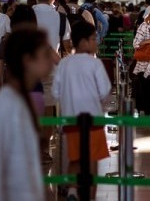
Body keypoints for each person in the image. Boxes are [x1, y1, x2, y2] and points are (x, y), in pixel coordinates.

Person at [0, 28, 54, 201]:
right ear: (28, 61)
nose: (50, 61)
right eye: (44, 54)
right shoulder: (8, 106)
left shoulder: (20, 102)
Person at [53, 21, 111, 200]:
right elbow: (105, 91)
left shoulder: (64, 64)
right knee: (92, 160)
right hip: (92, 121)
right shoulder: (95, 64)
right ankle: (90, 196)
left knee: (75, 157)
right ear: (84, 42)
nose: (97, 42)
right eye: (94, 39)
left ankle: (71, 191)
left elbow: (56, 91)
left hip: (71, 121)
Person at [32, 0, 72, 163]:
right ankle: (44, 150)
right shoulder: (61, 18)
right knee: (48, 111)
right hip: (52, 69)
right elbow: (67, 47)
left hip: (29, 70)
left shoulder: (26, 15)